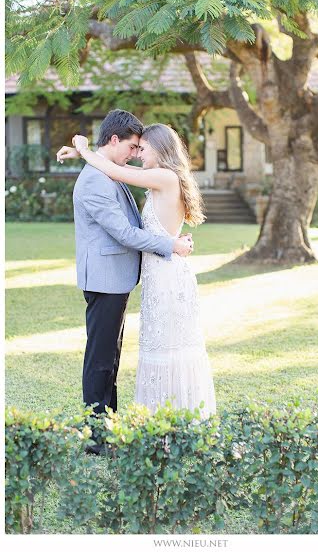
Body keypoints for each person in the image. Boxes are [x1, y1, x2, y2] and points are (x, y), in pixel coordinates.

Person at [58, 121, 217, 430]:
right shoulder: (106, 178)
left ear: (159, 148)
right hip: (117, 278)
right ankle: (100, 431)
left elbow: (118, 171)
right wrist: (84, 153)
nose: (137, 154)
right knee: (107, 357)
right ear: (115, 139)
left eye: (141, 149)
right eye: (134, 147)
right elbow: (125, 229)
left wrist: (84, 150)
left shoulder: (160, 176)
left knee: (160, 351)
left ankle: (166, 424)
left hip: (162, 277)